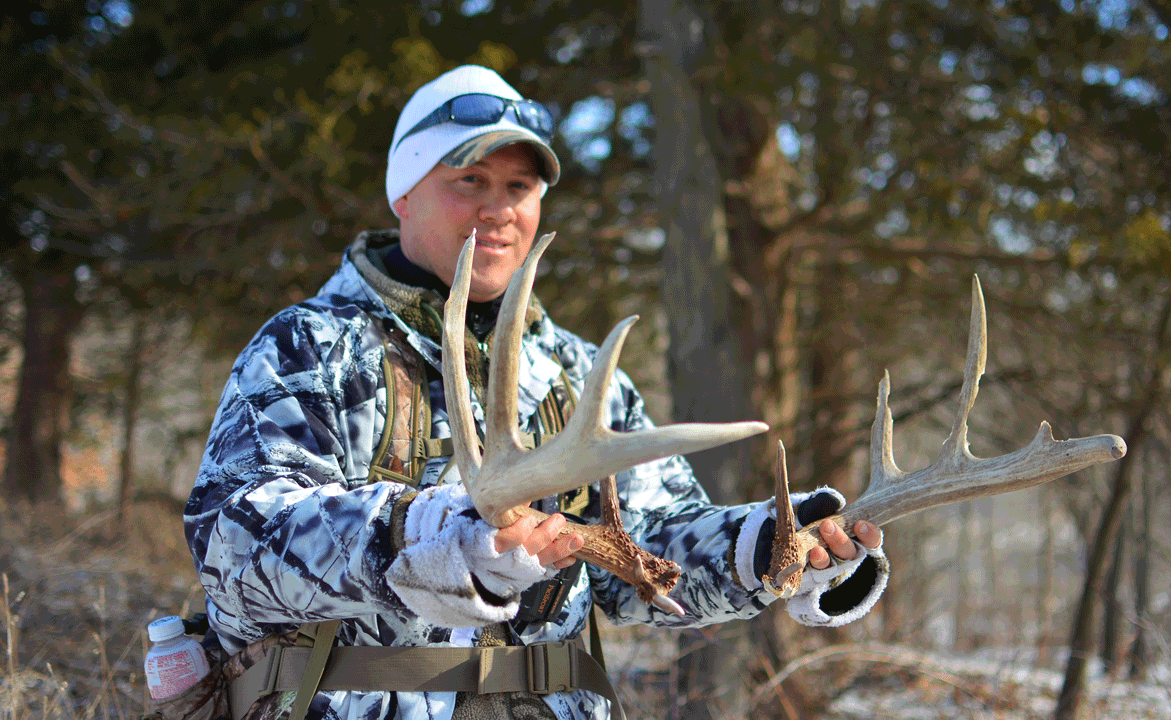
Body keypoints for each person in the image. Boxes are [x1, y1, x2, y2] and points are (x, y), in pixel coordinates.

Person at [185, 64, 889, 720]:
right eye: (470, 181)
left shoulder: (578, 374)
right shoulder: (309, 347)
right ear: (404, 189)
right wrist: (424, 539)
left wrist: (764, 547)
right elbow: (235, 542)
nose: (499, 210)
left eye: (519, 189)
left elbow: (643, 553)